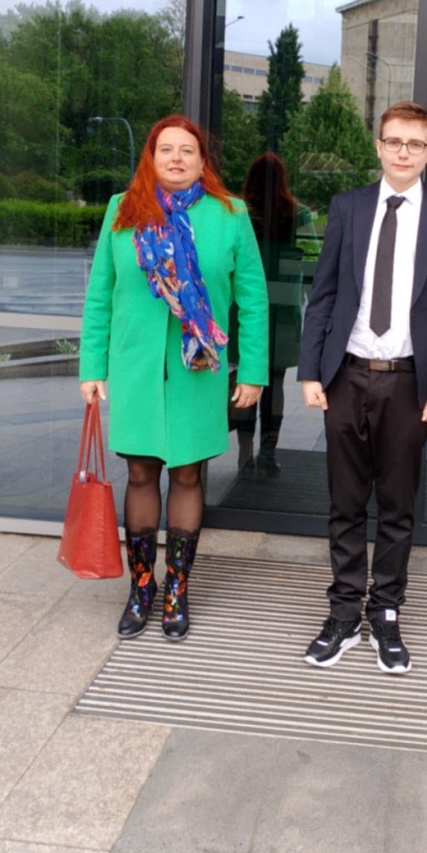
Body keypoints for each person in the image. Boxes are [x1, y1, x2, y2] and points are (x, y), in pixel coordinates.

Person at [79, 115, 269, 641]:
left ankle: (177, 589)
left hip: (198, 369)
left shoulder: (229, 215)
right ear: (152, 157)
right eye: (166, 149)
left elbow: (253, 300)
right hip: (136, 367)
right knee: (140, 473)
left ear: (203, 162)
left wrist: (253, 371)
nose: (177, 158)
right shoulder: (123, 210)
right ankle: (142, 587)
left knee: (187, 475)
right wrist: (92, 366)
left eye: (188, 150)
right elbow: (100, 295)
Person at [298, 101, 427, 674]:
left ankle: (386, 613)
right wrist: (310, 370)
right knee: (345, 502)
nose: (403, 152)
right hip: (346, 375)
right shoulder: (348, 207)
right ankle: (344, 612)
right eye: (393, 141)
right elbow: (324, 294)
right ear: (378, 146)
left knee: (397, 505)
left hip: (408, 382)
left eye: (414, 144)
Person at [230, 152, 316, 477]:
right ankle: (268, 452)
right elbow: (312, 259)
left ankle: (244, 454)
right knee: (274, 383)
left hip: (241, 307)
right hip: (283, 307)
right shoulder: (298, 214)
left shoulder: (240, 213)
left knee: (244, 378)